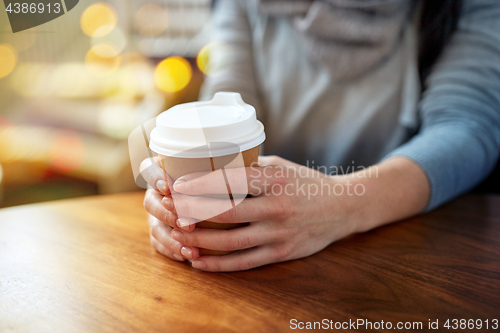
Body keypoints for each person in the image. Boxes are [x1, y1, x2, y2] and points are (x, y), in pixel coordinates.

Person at [141, 0, 500, 272]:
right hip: (266, 264)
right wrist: (180, 200)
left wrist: (344, 204)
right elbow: (229, 101)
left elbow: (467, 127)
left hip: (412, 256)